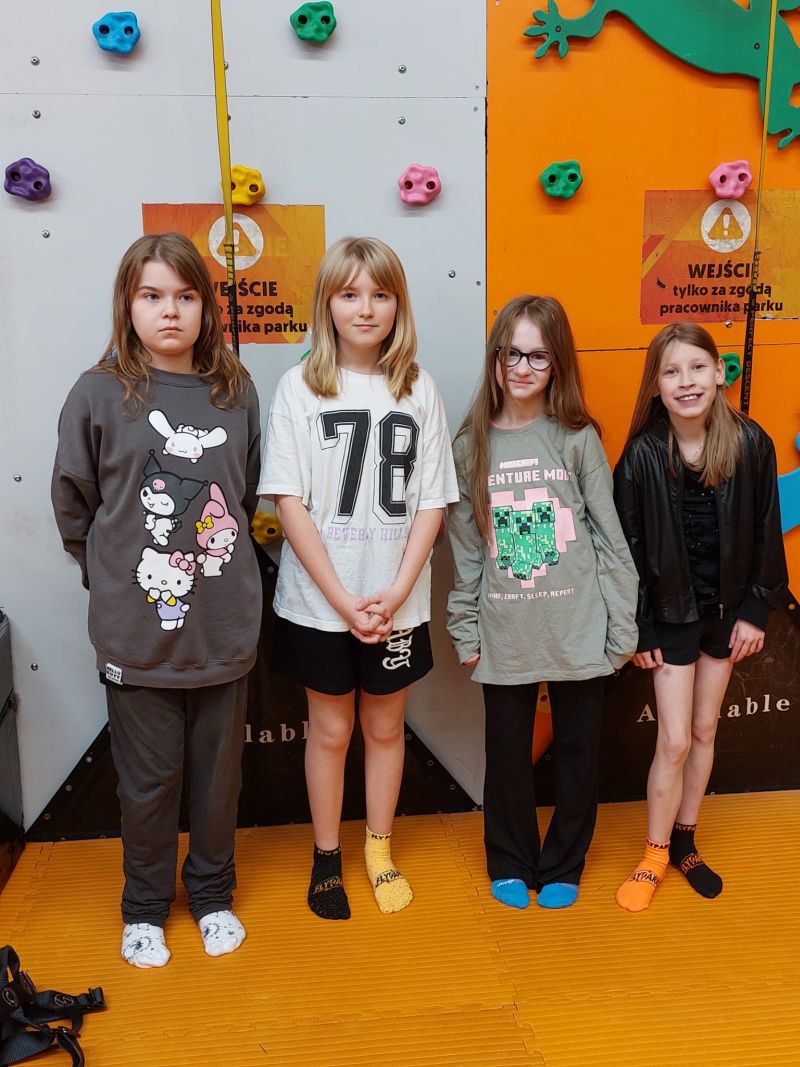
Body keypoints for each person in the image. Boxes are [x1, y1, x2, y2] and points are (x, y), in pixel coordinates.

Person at [52, 233, 262, 966]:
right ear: (128, 304)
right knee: (147, 783)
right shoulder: (97, 392)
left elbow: (244, 495)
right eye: (152, 295)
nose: (169, 311)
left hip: (223, 629)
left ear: (206, 306)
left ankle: (212, 894)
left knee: (217, 781)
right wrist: (113, 578)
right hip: (136, 633)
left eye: (185, 295)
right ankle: (144, 907)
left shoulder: (235, 390)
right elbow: (74, 505)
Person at [259, 236, 458, 920]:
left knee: (384, 726)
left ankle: (379, 848)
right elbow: (288, 501)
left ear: (398, 305)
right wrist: (343, 601)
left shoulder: (418, 387)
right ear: (327, 303)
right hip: (320, 603)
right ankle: (326, 855)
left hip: (394, 602)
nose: (365, 308)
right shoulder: (299, 387)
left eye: (380, 294)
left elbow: (432, 501)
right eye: (349, 294)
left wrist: (395, 592)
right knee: (329, 730)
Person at [447, 295, 638, 910]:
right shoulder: (470, 446)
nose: (522, 368)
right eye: (511, 353)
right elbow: (467, 551)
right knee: (507, 754)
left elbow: (609, 539)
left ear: (557, 364)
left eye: (538, 356)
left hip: (579, 623)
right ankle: (509, 857)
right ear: (495, 358)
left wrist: (621, 625)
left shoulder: (576, 439)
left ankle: (564, 862)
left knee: (579, 753)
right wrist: (465, 627)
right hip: (507, 626)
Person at [613, 322, 788, 912]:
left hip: (727, 614)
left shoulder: (751, 444)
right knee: (674, 738)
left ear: (719, 372)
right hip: (669, 619)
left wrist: (756, 610)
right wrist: (639, 626)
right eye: (671, 371)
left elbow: (766, 529)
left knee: (705, 730)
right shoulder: (640, 457)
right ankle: (655, 852)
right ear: (656, 385)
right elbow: (625, 550)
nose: (686, 381)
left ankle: (685, 840)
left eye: (696, 367)